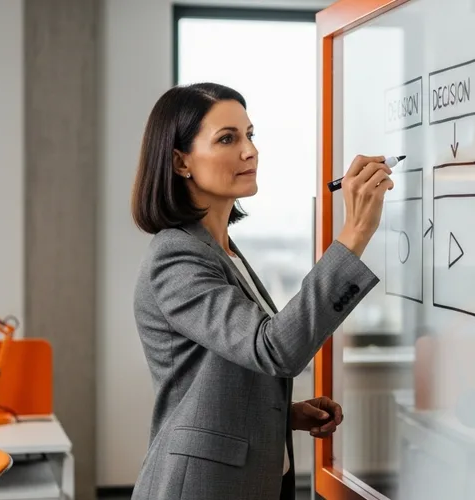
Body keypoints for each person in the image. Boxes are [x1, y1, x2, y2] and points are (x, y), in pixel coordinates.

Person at [128, 82, 394, 500]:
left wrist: (281, 416)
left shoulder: (221, 251)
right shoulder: (175, 256)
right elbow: (274, 349)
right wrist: (355, 233)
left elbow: (217, 372)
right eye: (227, 139)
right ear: (181, 162)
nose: (249, 151)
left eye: (249, 135)